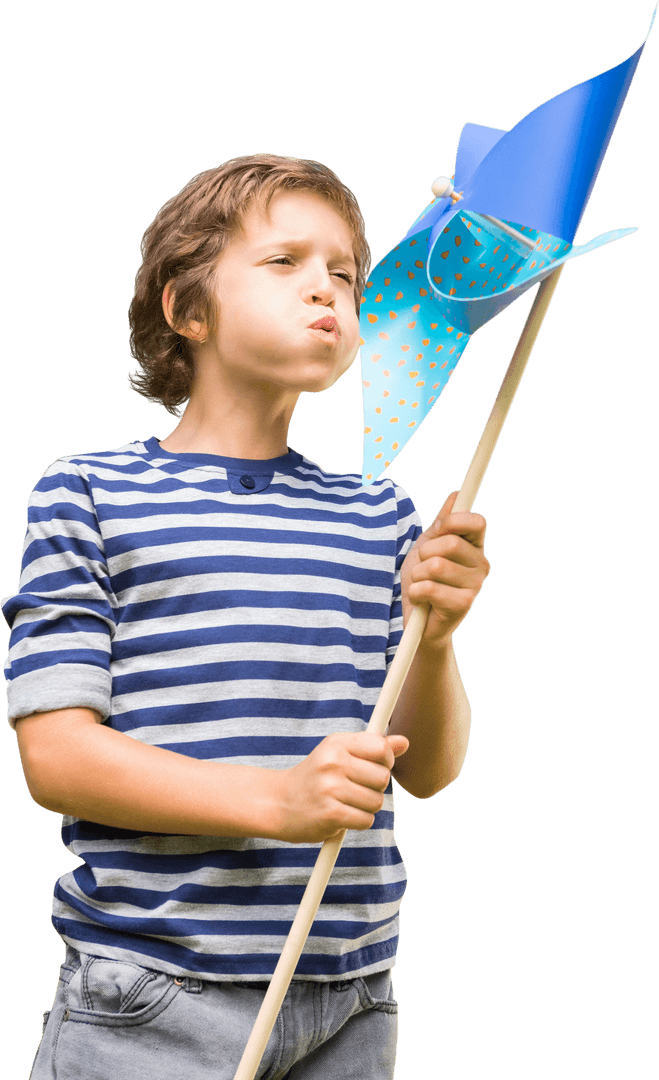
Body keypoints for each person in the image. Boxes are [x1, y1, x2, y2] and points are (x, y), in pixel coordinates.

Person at [3, 154, 490, 1079]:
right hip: (154, 994)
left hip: (351, 994)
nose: (329, 290)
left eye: (345, 274)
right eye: (284, 263)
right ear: (188, 311)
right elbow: (56, 756)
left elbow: (425, 770)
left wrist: (436, 634)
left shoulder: (379, 516)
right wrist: (277, 802)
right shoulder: (90, 493)